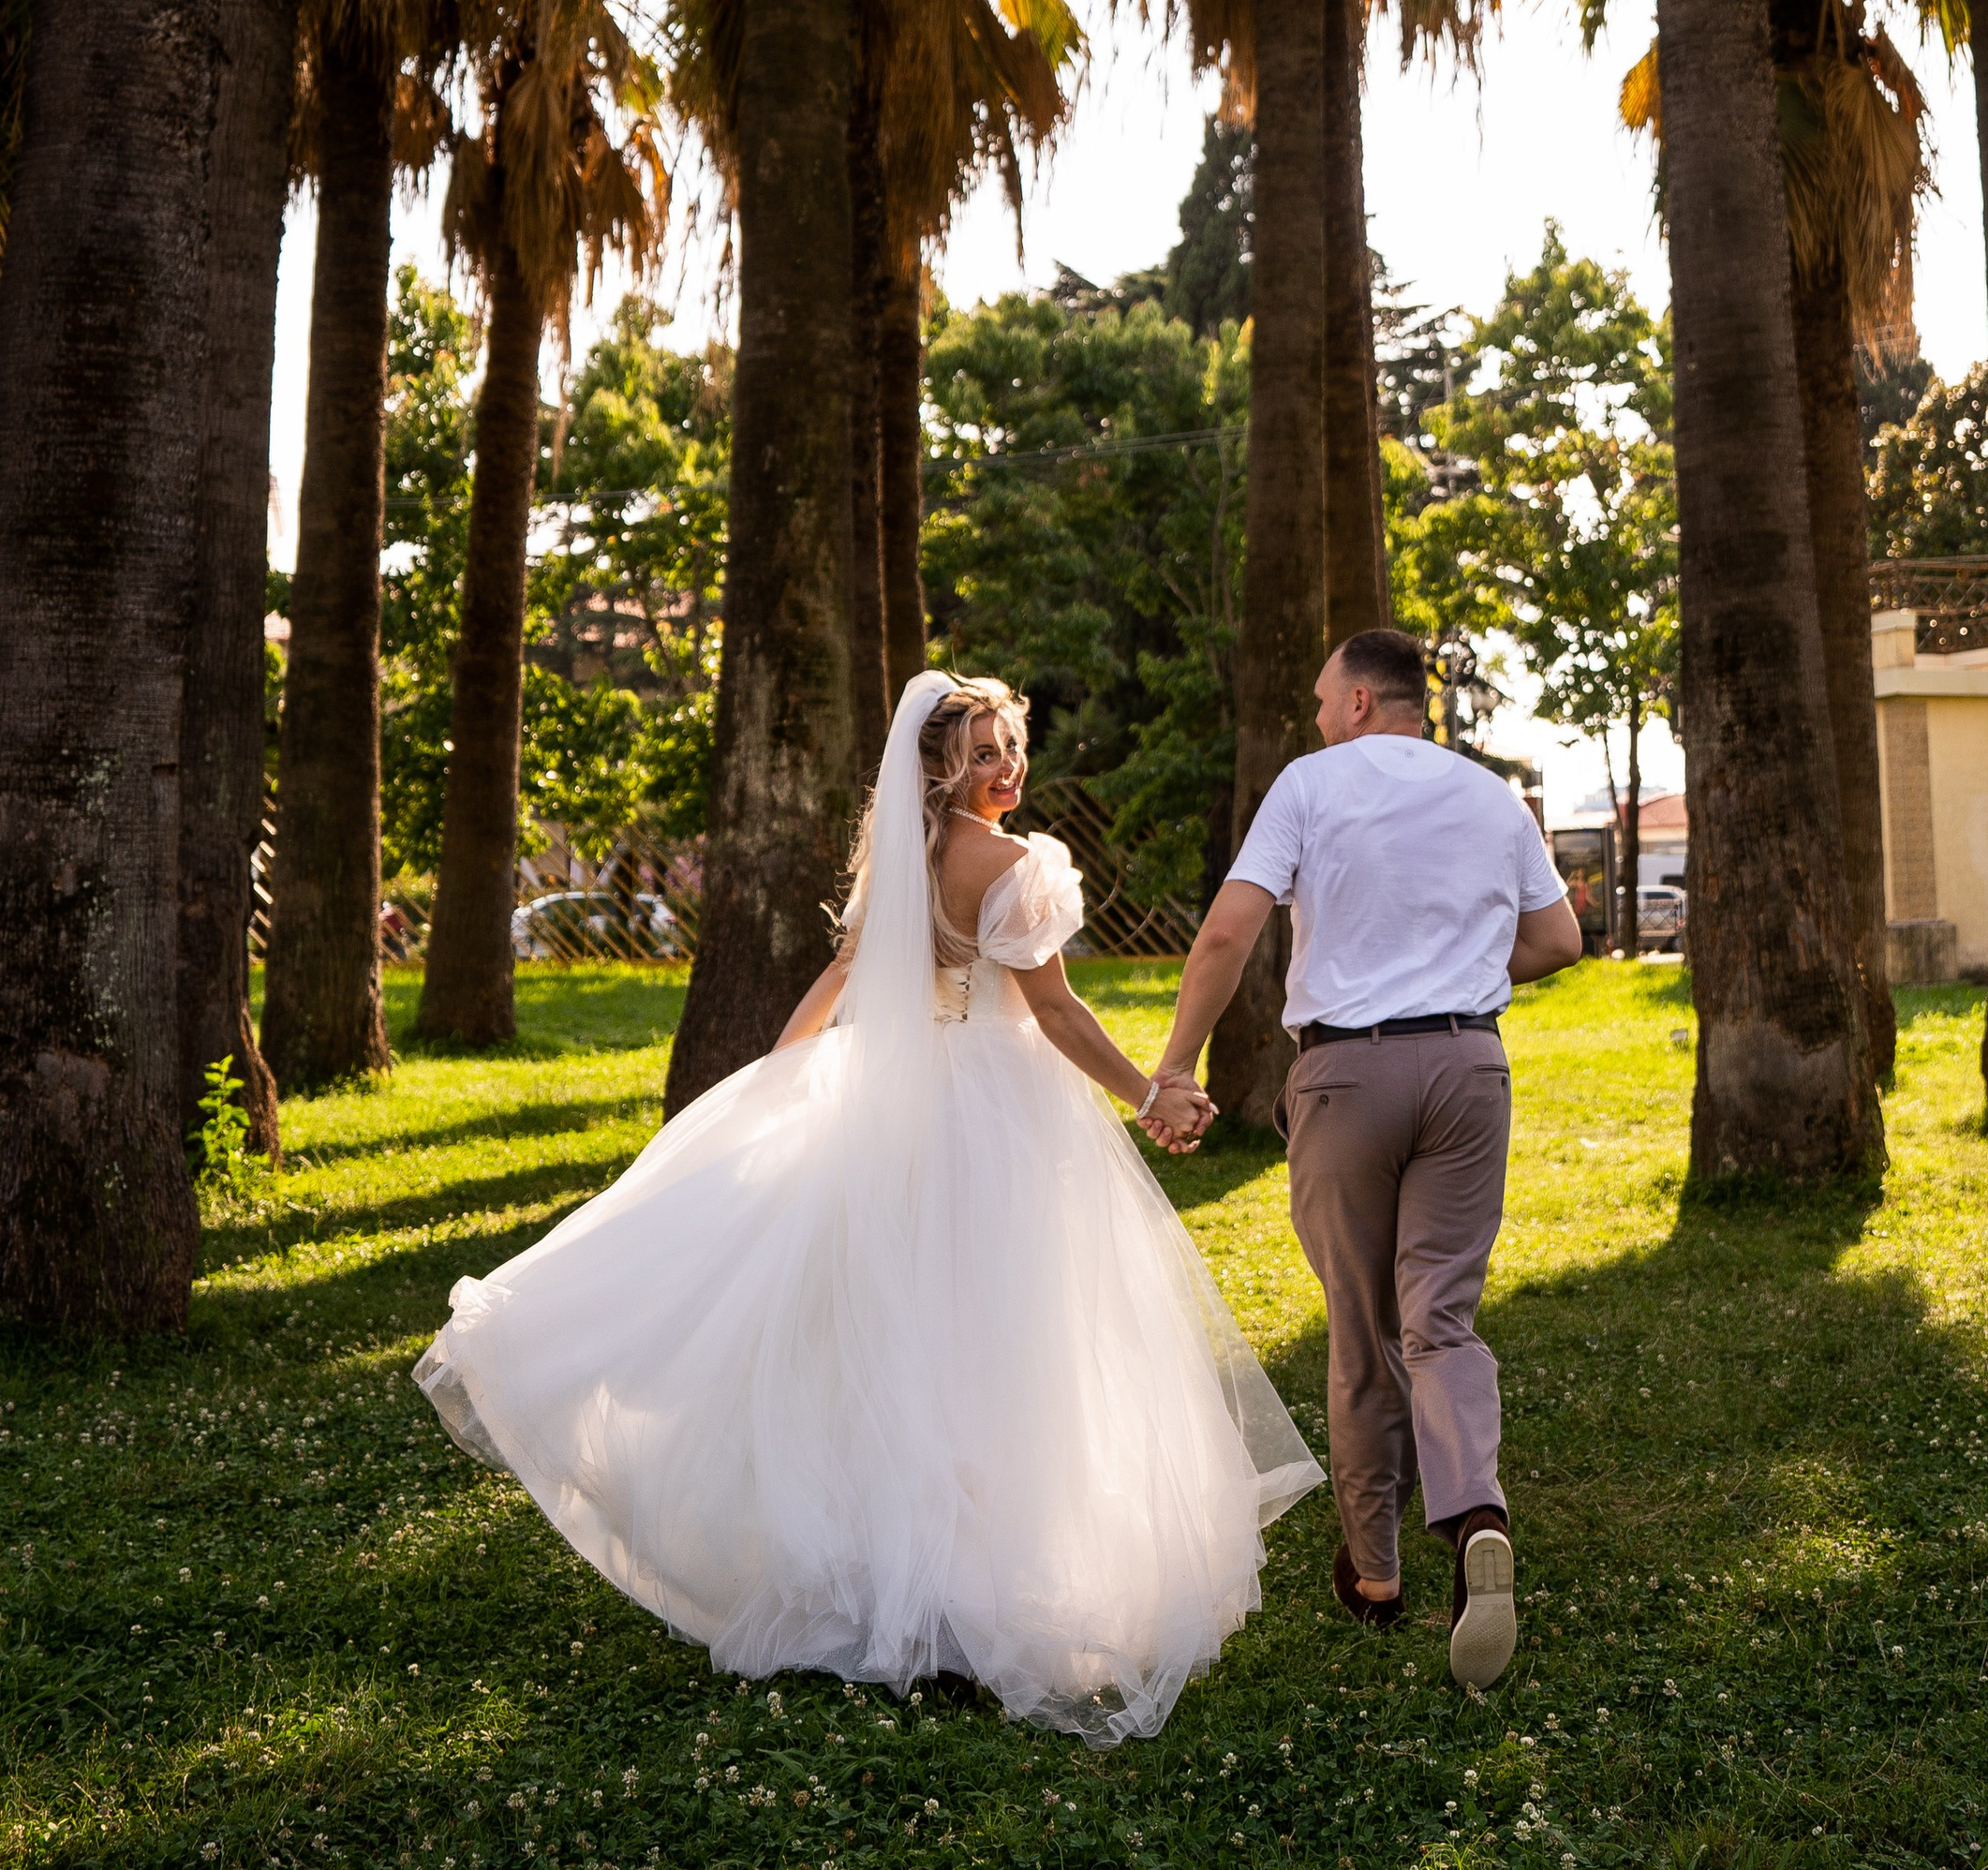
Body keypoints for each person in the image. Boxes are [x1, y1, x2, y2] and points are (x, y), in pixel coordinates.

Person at [414, 670, 1322, 1742]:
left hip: (897, 1106)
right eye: (982, 753)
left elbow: (843, 974)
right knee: (1000, 1344)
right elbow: (1054, 1010)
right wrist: (1146, 1092)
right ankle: (976, 1592)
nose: (1006, 769)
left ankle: (915, 1583)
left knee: (908, 1341)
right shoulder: (1013, 867)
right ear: (939, 767)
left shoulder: (904, 862)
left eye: (1012, 746)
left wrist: (779, 1077)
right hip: (999, 1112)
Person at [1150, 626, 1582, 1690]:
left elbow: (1225, 935)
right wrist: (1459, 973)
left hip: (1348, 1078)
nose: (1313, 716)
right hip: (1470, 1068)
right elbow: (1560, 941)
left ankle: (1377, 1572)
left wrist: (1173, 1064)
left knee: (1361, 1328)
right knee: (1438, 1315)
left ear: (1355, 703)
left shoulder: (1311, 784)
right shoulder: (1493, 797)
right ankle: (1475, 1509)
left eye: (1317, 696)